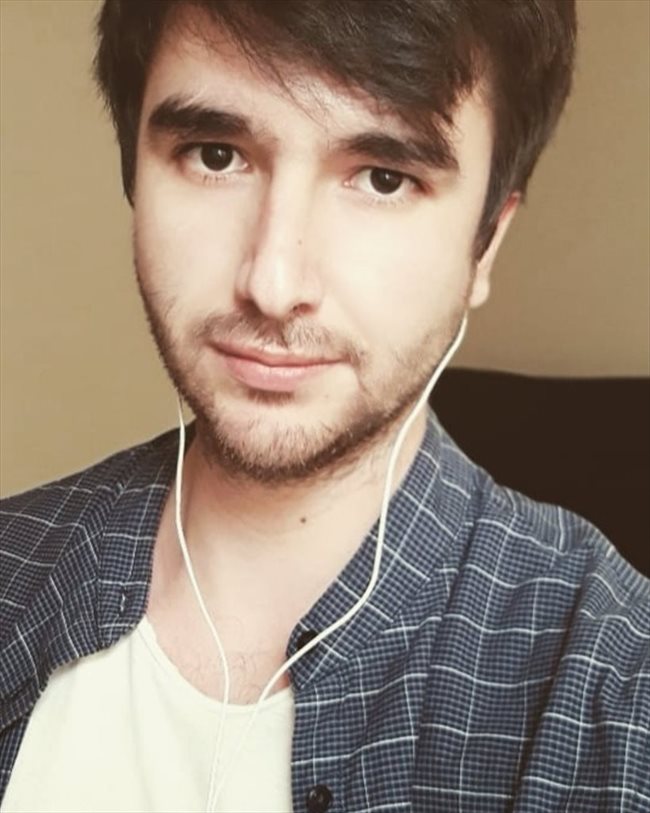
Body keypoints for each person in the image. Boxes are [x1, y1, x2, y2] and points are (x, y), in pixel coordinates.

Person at [1, 1, 648, 811]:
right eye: (215, 156)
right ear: (134, 174)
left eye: (383, 178)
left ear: (487, 241)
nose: (274, 284)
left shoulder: (617, 682)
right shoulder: (12, 566)